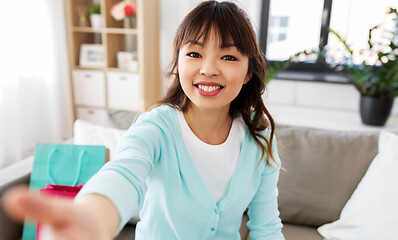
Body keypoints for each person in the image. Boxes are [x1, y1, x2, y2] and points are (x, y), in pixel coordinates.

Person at [2, 1, 285, 239]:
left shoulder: (259, 136)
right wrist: (91, 217)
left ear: (249, 71)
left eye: (228, 56)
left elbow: (266, 228)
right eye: (194, 53)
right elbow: (123, 174)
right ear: (178, 63)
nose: (209, 69)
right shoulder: (156, 128)